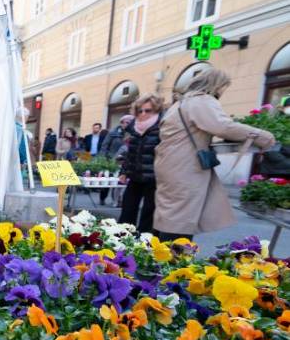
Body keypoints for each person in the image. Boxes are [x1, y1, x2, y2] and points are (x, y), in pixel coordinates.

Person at [154, 68, 275, 240]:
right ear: (217, 84)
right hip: (186, 165)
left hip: (171, 162)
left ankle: (161, 259)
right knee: (179, 219)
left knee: (171, 215)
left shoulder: (180, 103)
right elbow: (223, 126)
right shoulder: (202, 101)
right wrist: (262, 136)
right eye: (224, 86)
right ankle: (171, 263)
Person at [117, 94, 163, 233]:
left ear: (156, 110)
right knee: (127, 209)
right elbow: (130, 154)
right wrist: (124, 172)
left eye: (148, 110)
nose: (143, 114)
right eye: (140, 111)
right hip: (135, 176)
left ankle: (144, 244)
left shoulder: (162, 128)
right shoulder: (134, 128)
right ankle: (121, 240)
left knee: (148, 213)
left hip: (154, 178)